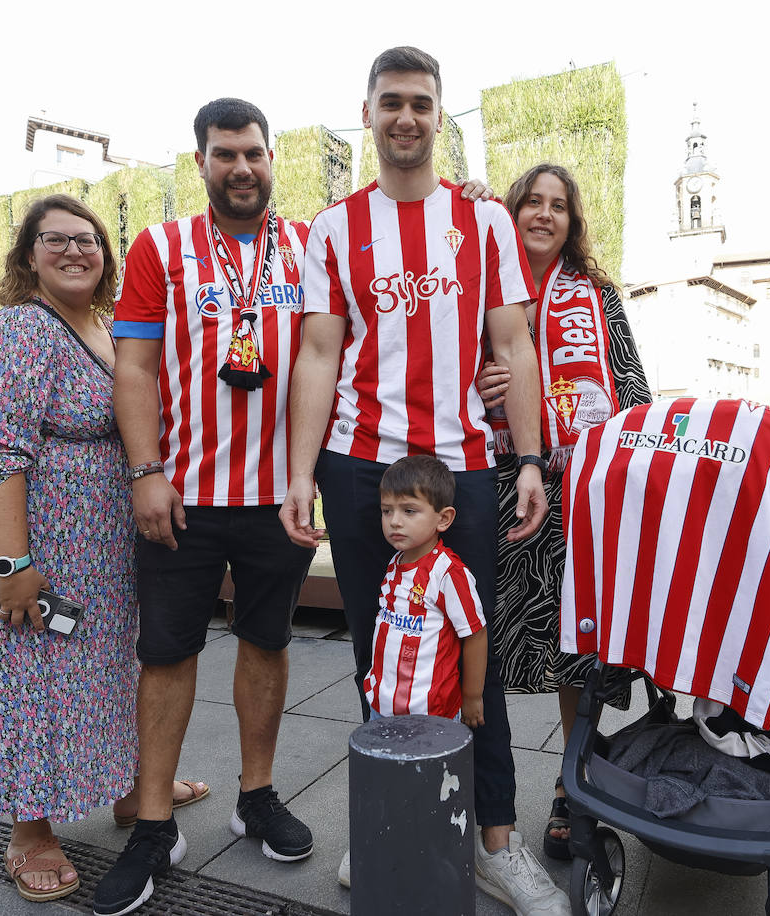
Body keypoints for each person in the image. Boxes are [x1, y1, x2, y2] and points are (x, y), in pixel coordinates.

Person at [281, 47, 566, 916]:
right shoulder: (332, 229)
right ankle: (388, 823)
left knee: (468, 646)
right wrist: (299, 474)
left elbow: (514, 346)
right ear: (366, 113)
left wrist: (527, 460)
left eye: (421, 103)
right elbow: (319, 354)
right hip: (362, 466)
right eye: (390, 102)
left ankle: (496, 843)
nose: (406, 117)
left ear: (441, 117)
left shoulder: (484, 228)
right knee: (379, 653)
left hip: (463, 469)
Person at [0, 195, 208, 905]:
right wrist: (13, 567)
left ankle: (126, 787)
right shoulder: (22, 330)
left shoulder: (106, 326)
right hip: (33, 545)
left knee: (102, 671)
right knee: (28, 679)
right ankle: (30, 830)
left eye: (87, 240)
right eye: (54, 240)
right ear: (28, 256)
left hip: (98, 548)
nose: (74, 251)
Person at [99, 98, 318, 916]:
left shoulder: (309, 246)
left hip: (277, 496)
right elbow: (136, 368)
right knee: (167, 654)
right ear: (201, 162)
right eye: (225, 154)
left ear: (271, 159)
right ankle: (154, 822)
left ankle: (254, 794)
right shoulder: (161, 246)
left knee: (267, 643)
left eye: (254, 153)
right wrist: (145, 470)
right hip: (183, 496)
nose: (241, 168)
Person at [474, 163, 651, 862]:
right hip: (497, 483)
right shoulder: (481, 285)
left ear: (573, 222)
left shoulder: (596, 293)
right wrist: (479, 377)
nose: (544, 215)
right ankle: (483, 795)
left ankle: (569, 786)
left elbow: (631, 378)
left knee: (579, 646)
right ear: (511, 211)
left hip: (584, 490)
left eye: (559, 206)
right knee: (489, 645)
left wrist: (634, 463)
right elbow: (440, 369)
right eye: (531, 203)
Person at [337, 455, 488, 886]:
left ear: (443, 518)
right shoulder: (395, 563)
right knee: (386, 782)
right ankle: (382, 843)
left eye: (409, 510)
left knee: (430, 790)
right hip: (386, 705)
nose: (394, 523)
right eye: (387, 511)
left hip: (432, 713)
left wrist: (473, 696)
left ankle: (431, 854)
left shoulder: (448, 573)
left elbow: (474, 634)